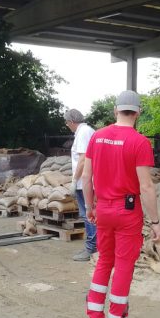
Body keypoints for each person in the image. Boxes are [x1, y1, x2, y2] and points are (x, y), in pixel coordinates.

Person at [83, 90, 160, 318]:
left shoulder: (97, 137)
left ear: (115, 110)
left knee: (104, 261)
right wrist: (155, 222)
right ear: (137, 113)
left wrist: (89, 207)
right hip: (127, 212)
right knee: (124, 266)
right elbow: (146, 187)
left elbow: (86, 177)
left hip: (103, 208)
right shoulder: (139, 142)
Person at [64, 108, 96, 262]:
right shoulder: (87, 131)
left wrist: (74, 180)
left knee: (88, 214)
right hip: (88, 181)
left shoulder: (83, 133)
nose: (67, 125)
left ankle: (91, 248)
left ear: (71, 121)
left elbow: (83, 159)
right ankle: (94, 246)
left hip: (85, 182)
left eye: (67, 122)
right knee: (91, 214)